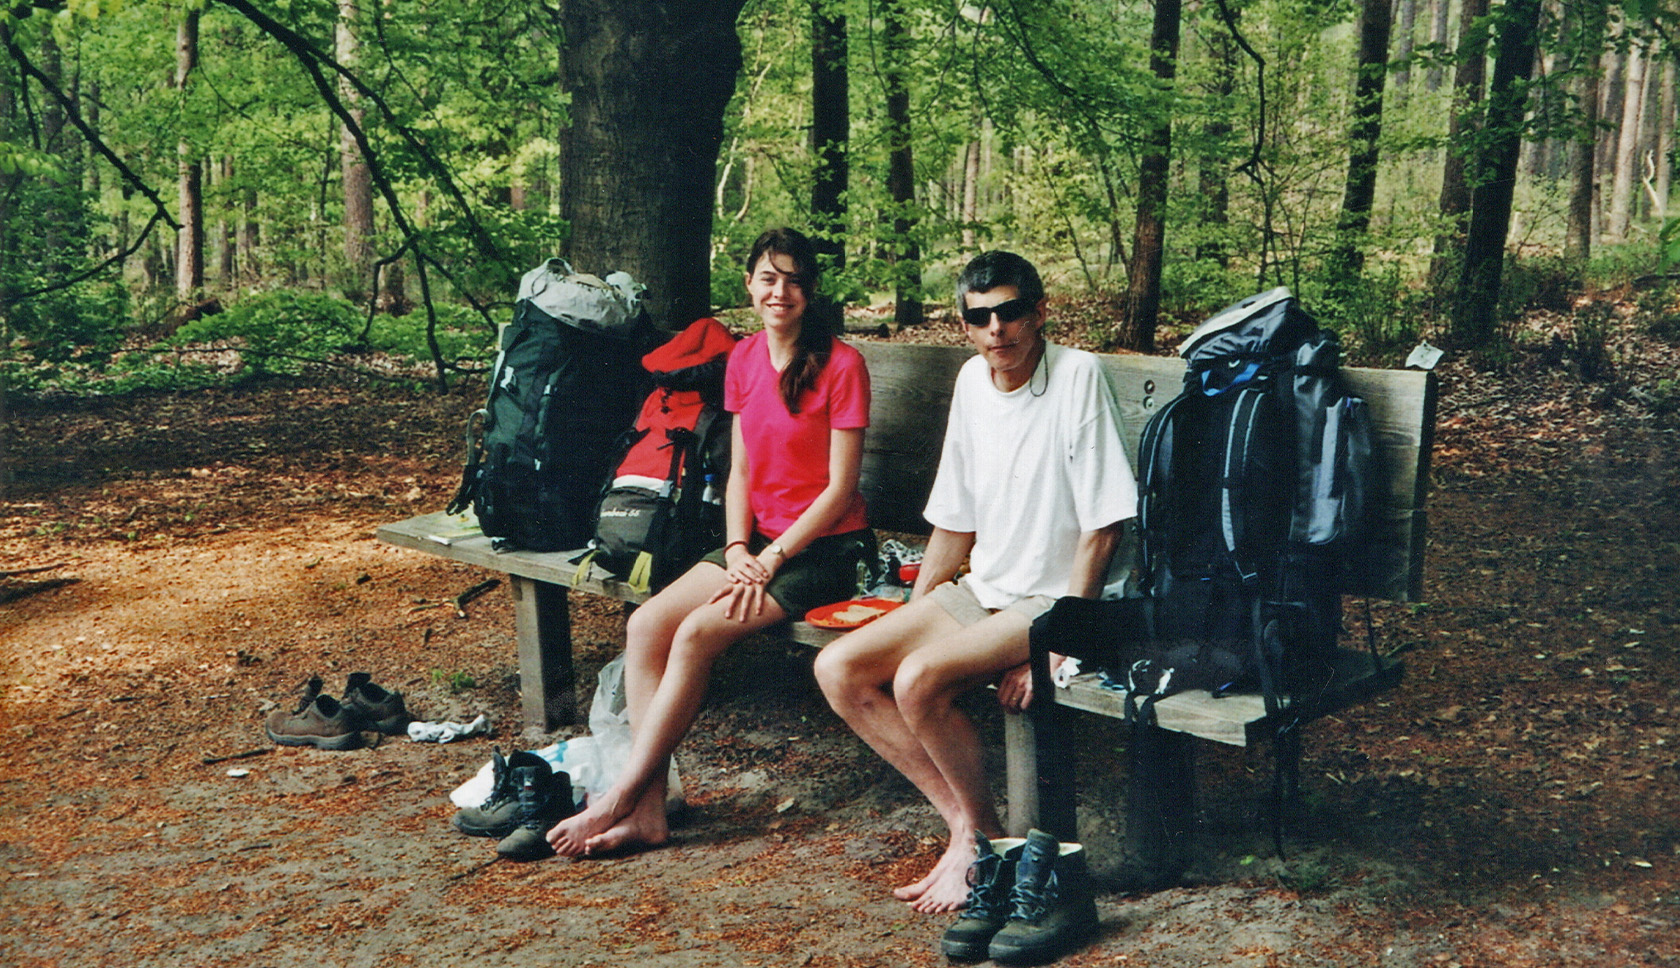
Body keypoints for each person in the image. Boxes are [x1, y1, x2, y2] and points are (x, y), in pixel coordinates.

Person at [813, 250, 1136, 913]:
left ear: (1039, 311)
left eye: (1011, 311)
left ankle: (987, 842)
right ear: (964, 324)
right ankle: (967, 826)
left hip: (1053, 598)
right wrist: (911, 611)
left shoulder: (1077, 376)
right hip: (986, 588)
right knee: (840, 668)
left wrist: (1061, 644)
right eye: (980, 316)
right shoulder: (970, 382)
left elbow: (1104, 529)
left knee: (918, 678)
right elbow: (955, 521)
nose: (998, 329)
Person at [548, 227, 874, 857]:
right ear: (749, 284)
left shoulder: (842, 366)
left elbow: (838, 490)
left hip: (828, 550)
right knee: (646, 626)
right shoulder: (745, 358)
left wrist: (772, 557)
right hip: (754, 545)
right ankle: (651, 807)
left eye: (793, 280)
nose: (780, 291)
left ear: (810, 289)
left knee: (696, 633)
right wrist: (734, 549)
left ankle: (621, 796)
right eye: (768, 278)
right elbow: (742, 474)